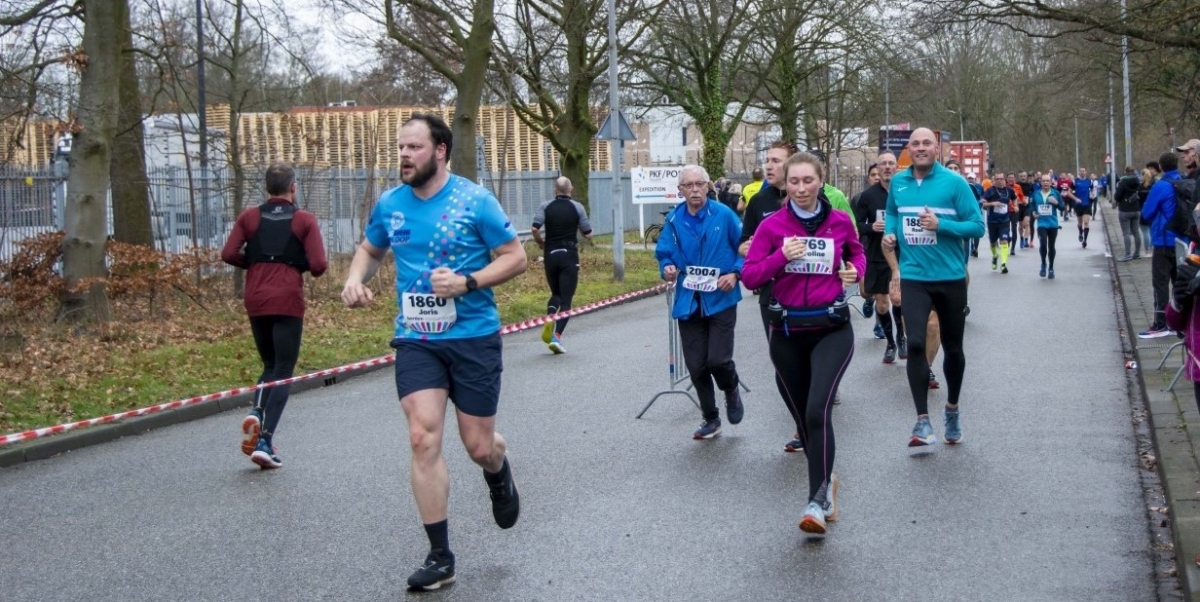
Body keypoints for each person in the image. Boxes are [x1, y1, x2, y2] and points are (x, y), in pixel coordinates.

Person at [340, 113, 527, 591]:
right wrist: (353, 279)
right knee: (423, 437)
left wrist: (468, 282)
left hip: (472, 336)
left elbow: (515, 257)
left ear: (440, 151)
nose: (404, 155)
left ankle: (498, 468)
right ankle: (440, 557)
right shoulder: (391, 204)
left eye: (414, 148)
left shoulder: (474, 200)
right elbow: (370, 249)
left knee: (478, 445)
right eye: (401, 147)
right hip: (417, 337)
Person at [741, 151, 864, 535]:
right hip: (788, 333)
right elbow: (750, 276)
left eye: (808, 181)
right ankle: (826, 480)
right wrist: (781, 256)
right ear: (785, 184)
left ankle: (817, 498)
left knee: (817, 411)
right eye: (793, 182)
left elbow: (857, 254)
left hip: (831, 328)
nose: (800, 188)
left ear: (821, 180)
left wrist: (853, 271)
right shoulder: (773, 226)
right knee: (804, 420)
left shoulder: (839, 222)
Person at [221, 162, 328, 470]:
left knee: (269, 364)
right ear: (293, 187)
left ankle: (256, 411)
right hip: (287, 299)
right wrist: (293, 265)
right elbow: (319, 264)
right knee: (284, 369)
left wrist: (255, 264)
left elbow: (228, 253)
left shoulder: (249, 217)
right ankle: (265, 441)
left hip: (255, 297)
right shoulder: (304, 220)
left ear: (266, 187)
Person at [882, 127, 985, 447]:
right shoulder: (898, 182)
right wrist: (889, 232)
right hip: (914, 276)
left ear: (937, 149)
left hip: (950, 277)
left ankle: (952, 409)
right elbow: (892, 212)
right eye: (915, 144)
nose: (921, 148)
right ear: (908, 150)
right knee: (914, 343)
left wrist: (943, 225)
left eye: (927, 143)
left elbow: (977, 226)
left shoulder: (954, 184)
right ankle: (922, 421)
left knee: (953, 349)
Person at [656, 164, 745, 440]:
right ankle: (711, 418)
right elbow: (664, 253)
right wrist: (668, 268)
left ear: (708, 186)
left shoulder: (724, 215)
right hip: (688, 299)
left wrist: (735, 272)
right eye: (688, 185)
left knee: (718, 360)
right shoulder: (673, 221)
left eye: (699, 184)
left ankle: (731, 388)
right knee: (696, 366)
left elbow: (747, 247)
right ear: (680, 190)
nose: (694, 189)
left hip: (721, 297)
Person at [531, 176, 593, 354]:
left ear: (554, 190)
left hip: (550, 254)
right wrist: (582, 229)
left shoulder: (545, 206)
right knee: (566, 299)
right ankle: (556, 336)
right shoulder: (577, 207)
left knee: (555, 293)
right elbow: (588, 233)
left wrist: (541, 243)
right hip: (569, 256)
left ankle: (550, 317)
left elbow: (535, 228)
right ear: (570, 189)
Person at [856, 153, 906, 362]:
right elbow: (855, 226)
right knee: (883, 304)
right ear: (878, 167)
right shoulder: (867, 196)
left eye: (890, 163)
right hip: (876, 256)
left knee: (898, 299)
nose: (887, 167)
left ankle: (901, 338)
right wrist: (871, 226)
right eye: (883, 164)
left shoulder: (905, 192)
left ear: (896, 167)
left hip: (901, 255)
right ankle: (890, 343)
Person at [1140, 152, 1183, 338]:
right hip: (1182, 241)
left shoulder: (1161, 186)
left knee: (1160, 284)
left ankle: (1160, 323)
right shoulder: (1184, 182)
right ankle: (1179, 324)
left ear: (1161, 166)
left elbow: (1146, 213)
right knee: (1180, 285)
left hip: (1163, 240)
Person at [981, 170, 1015, 274]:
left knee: (1004, 241)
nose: (1000, 181)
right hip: (992, 222)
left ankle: (1003, 264)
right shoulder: (990, 191)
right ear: (994, 180)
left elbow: (1014, 198)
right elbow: (983, 204)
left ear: (1004, 180)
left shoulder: (1009, 190)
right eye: (997, 179)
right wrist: (993, 204)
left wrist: (1016, 205)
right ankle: (995, 256)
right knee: (993, 243)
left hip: (1004, 221)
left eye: (1001, 179)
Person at [1031, 173, 1063, 279]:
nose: (1045, 183)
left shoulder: (1055, 193)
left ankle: (1051, 268)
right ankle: (1043, 264)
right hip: (1041, 224)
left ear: (1051, 182)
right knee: (1043, 244)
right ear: (1040, 182)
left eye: (1047, 181)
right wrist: (1033, 213)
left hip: (1053, 224)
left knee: (1051, 246)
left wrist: (1056, 203)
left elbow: (1063, 208)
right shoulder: (1036, 194)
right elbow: (1032, 206)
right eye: (1043, 181)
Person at [1115, 166, 1143, 261]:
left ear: (1125, 172)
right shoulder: (1138, 181)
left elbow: (1117, 197)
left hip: (1124, 210)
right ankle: (1137, 253)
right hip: (1136, 209)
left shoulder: (1122, 182)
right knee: (1136, 232)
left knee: (1126, 233)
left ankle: (1128, 254)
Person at [1074, 167, 1095, 248]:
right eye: (1081, 171)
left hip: (1087, 204)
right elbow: (1070, 190)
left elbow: (1093, 190)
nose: (1082, 172)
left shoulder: (1089, 181)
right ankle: (1080, 233)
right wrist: (1075, 198)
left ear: (1086, 172)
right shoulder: (1075, 181)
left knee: (1086, 222)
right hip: (1078, 205)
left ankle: (1085, 241)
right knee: (1080, 223)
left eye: (1084, 171)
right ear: (1079, 172)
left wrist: (1093, 195)